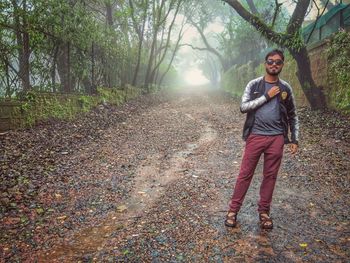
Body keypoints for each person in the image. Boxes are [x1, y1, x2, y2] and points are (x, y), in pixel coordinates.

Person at [225, 49, 299, 229]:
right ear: (265, 64)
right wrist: (267, 96)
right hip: (255, 135)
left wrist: (294, 139)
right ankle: (233, 211)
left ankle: (264, 213)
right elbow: (243, 107)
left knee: (270, 176)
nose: (274, 65)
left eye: (278, 62)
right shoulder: (254, 85)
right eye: (271, 61)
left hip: (276, 138)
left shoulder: (286, 88)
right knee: (245, 174)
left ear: (283, 65)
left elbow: (293, 115)